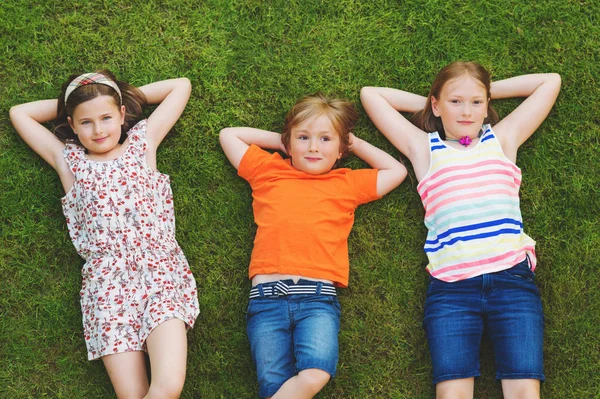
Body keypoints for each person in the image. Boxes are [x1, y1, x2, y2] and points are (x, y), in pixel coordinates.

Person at [361, 62, 561, 399]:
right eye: (455, 102)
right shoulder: (423, 148)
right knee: (451, 393)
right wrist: (436, 102)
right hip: (452, 291)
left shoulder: (503, 138)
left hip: (512, 282)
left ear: (486, 105)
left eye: (476, 102)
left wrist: (477, 91)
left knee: (525, 390)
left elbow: (549, 82)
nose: (466, 111)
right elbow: (371, 95)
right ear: (436, 105)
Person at [9, 70, 199, 399]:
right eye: (85, 122)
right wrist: (80, 101)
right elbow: (19, 113)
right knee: (132, 394)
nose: (98, 130)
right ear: (70, 123)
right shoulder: (68, 161)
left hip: (160, 274)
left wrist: (109, 93)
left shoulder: (144, 141)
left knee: (167, 386)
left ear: (123, 114)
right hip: (107, 287)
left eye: (107, 117)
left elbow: (180, 85)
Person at [219, 92, 407, 399]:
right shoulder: (268, 171)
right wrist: (284, 142)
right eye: (303, 138)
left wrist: (353, 143)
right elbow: (229, 135)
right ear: (289, 143)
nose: (313, 147)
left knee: (316, 372)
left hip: (317, 300)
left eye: (325, 139)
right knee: (273, 385)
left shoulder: (346, 183)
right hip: (267, 299)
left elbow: (396, 172)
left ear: (340, 148)